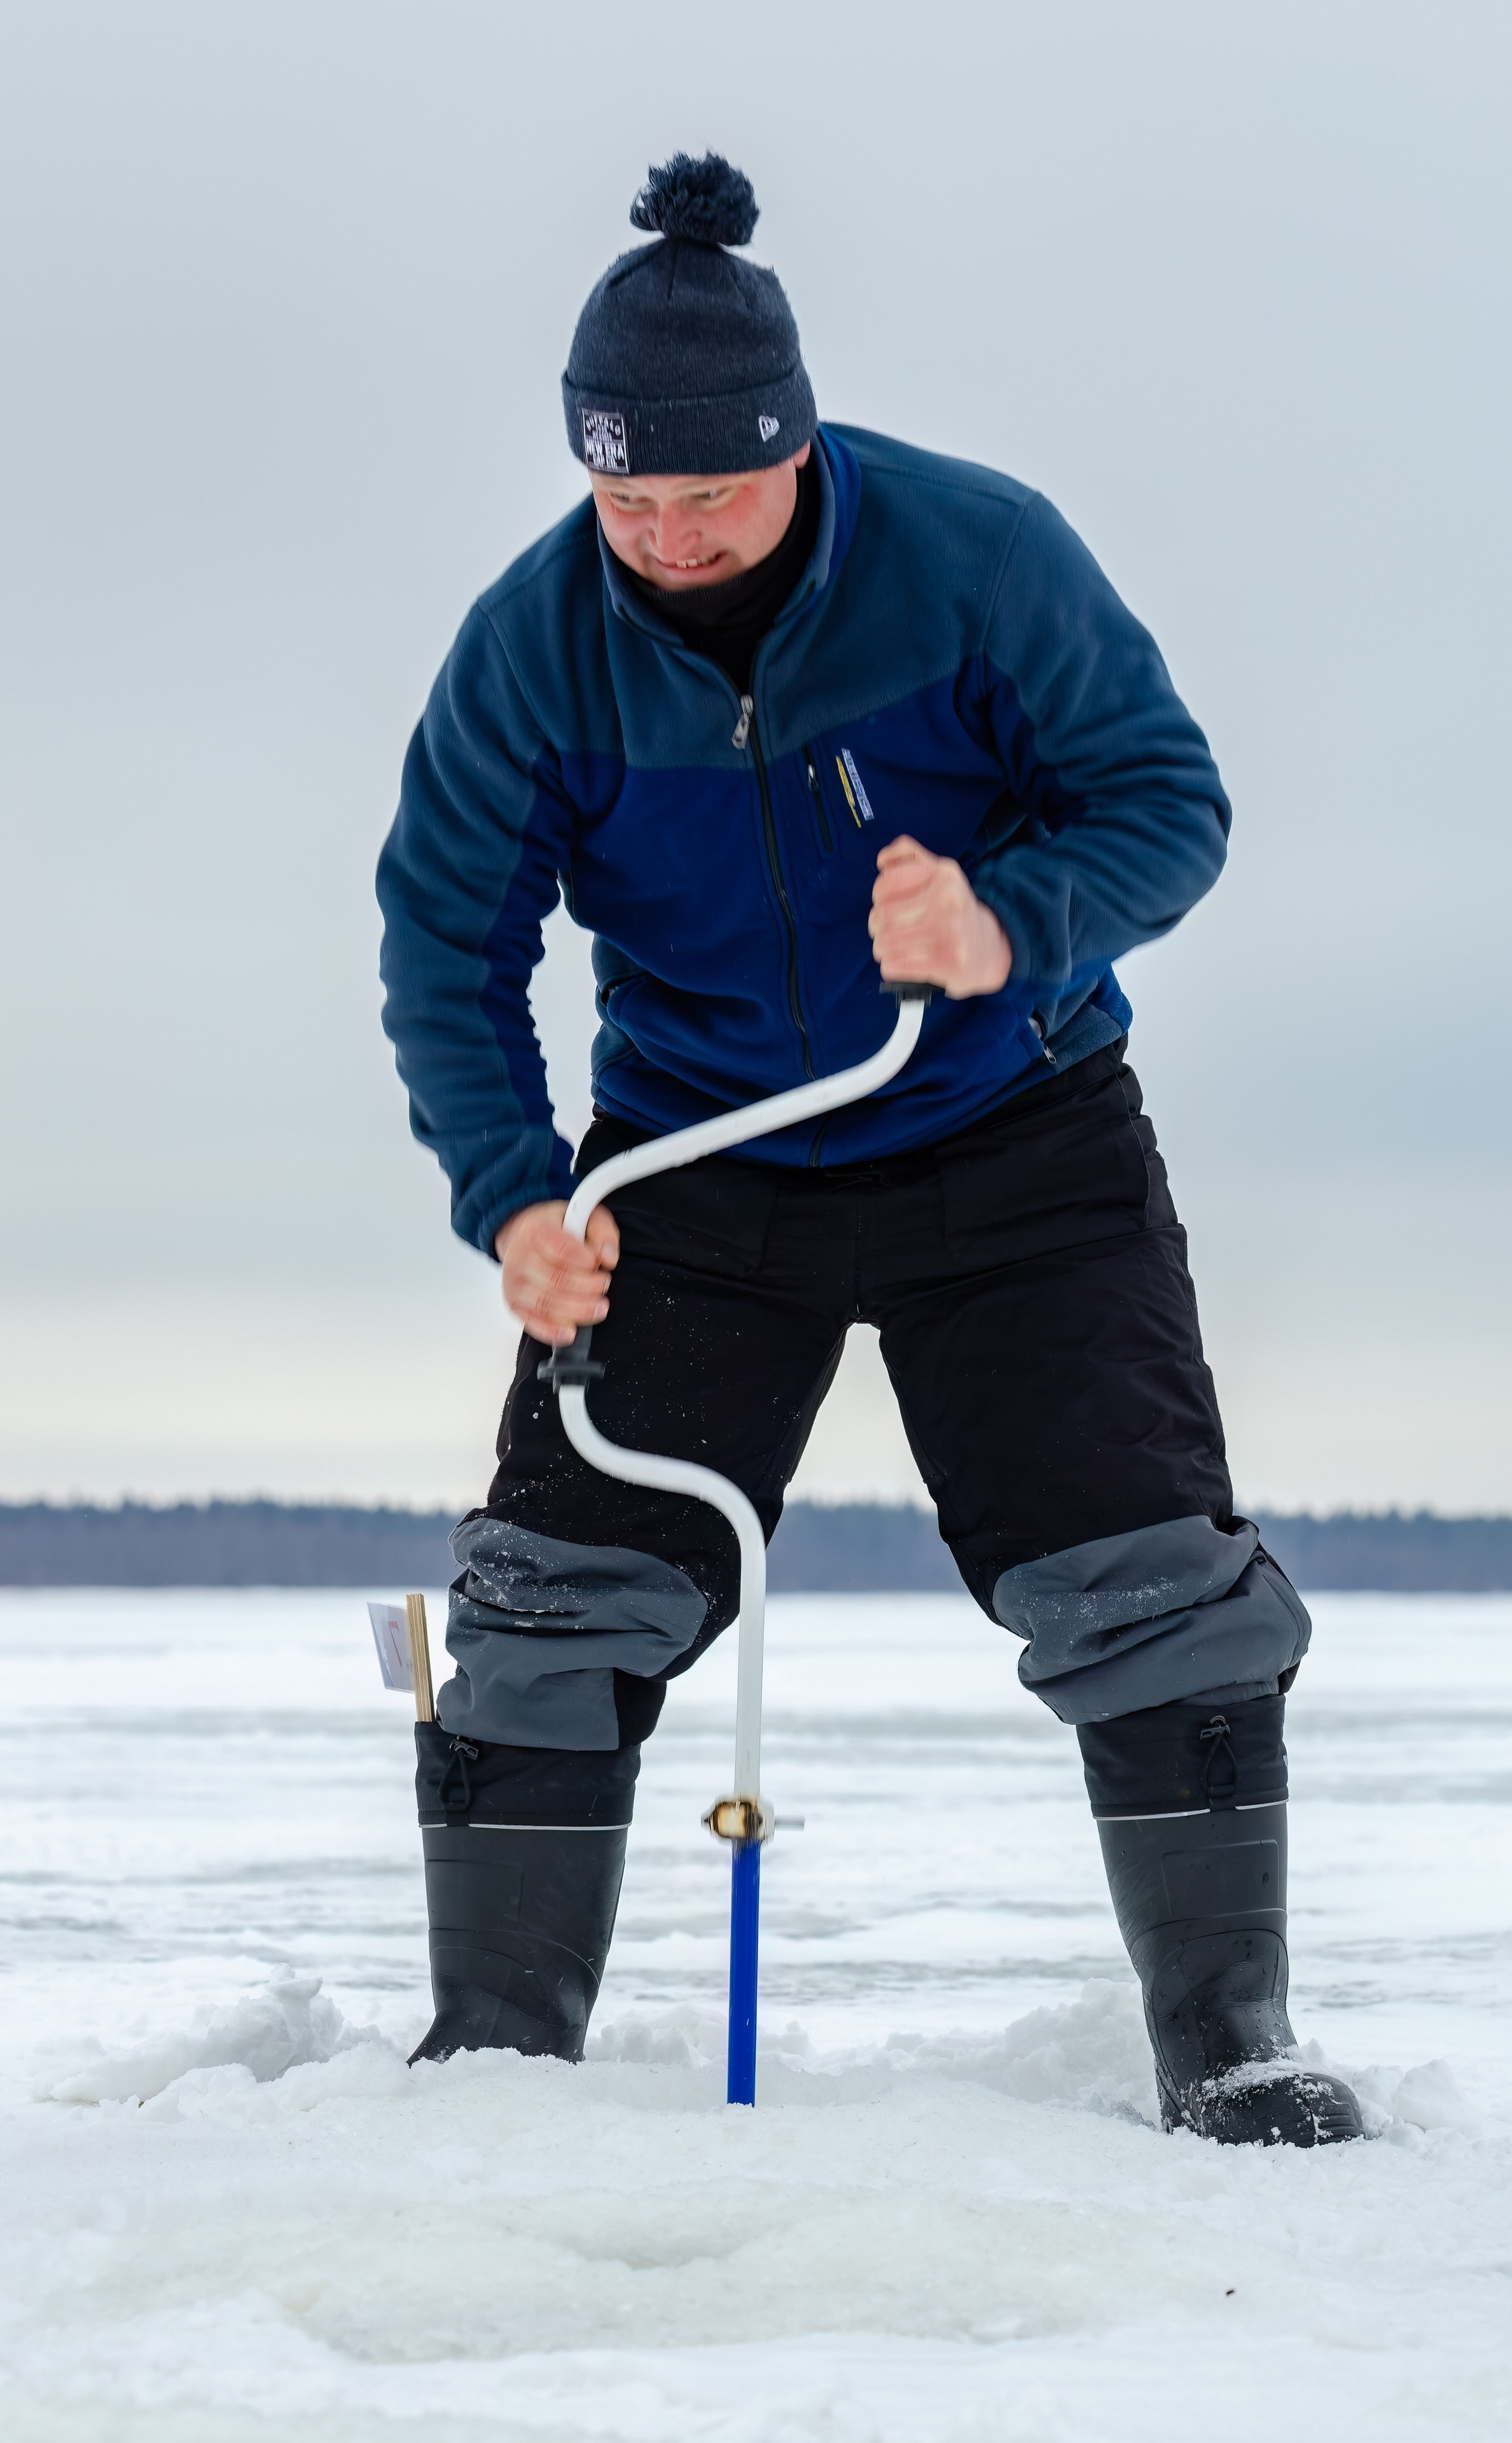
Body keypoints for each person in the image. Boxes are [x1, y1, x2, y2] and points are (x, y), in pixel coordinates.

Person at [377, 152, 1361, 2145]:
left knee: (1151, 1582)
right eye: (622, 497)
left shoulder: (980, 557)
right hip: (698, 1162)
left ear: (796, 444)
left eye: (707, 494)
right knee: (551, 1600)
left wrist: (1013, 918)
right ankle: (484, 2080)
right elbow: (444, 938)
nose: (662, 536)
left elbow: (1165, 801)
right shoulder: (529, 651)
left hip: (1021, 1140)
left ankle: (1233, 2052)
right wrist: (518, 1198)